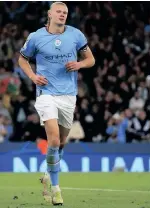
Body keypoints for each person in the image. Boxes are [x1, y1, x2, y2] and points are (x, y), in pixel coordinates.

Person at [18, 1, 95, 205]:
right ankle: (56, 188)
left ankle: (47, 173)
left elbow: (91, 60)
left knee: (61, 143)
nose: (62, 15)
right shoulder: (36, 37)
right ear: (50, 14)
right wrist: (33, 77)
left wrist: (79, 63)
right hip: (46, 93)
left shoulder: (76, 35)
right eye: (59, 12)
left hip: (68, 95)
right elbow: (22, 60)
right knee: (52, 140)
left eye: (65, 12)